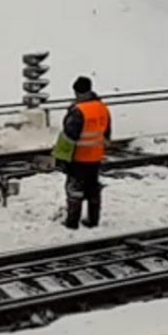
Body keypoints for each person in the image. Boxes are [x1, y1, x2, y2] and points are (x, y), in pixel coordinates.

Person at [53, 76, 112, 230]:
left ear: (78, 92)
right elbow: (106, 134)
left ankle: (72, 222)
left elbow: (69, 137)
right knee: (93, 189)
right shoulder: (102, 108)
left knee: (75, 190)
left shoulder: (78, 111)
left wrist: (60, 156)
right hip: (95, 157)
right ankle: (93, 220)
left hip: (79, 158)